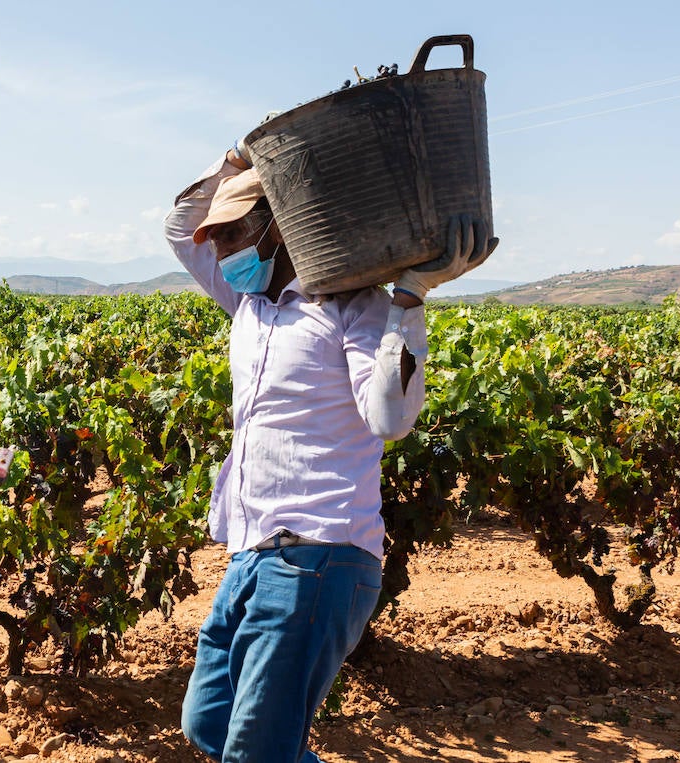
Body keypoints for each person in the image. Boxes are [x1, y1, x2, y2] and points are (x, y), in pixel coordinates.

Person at [165, 140, 494, 763]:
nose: (223, 252)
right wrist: (236, 162)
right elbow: (181, 227)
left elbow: (389, 417)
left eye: (234, 234)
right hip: (251, 552)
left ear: (278, 231)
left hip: (319, 555)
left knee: (257, 753)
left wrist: (410, 298)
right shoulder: (249, 305)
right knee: (207, 723)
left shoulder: (353, 307)